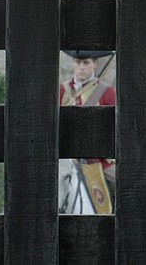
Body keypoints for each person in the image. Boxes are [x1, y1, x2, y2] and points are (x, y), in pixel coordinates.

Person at [59, 50, 116, 214]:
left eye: (86, 63)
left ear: (95, 64)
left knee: (125, 184)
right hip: (66, 159)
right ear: (73, 63)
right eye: (78, 62)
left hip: (97, 160)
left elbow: (112, 128)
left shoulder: (107, 93)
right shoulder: (61, 91)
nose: (81, 67)